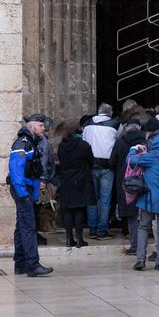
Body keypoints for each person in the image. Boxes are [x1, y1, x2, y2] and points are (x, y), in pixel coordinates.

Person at [129, 115, 159, 270]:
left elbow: (130, 162)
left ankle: (140, 260)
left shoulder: (151, 156)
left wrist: (134, 149)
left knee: (143, 226)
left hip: (148, 196)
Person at [7, 114, 53, 277]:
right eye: (41, 125)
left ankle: (20, 264)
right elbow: (16, 171)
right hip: (22, 190)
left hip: (26, 190)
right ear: (32, 126)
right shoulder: (23, 143)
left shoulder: (31, 142)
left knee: (21, 227)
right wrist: (23, 194)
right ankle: (33, 265)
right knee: (29, 227)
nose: (44, 128)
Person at [55, 119, 95, 248]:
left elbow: (60, 160)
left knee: (68, 210)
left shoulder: (62, 146)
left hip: (66, 179)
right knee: (79, 210)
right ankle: (79, 239)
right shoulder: (84, 145)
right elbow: (91, 161)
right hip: (81, 180)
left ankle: (68, 239)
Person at [82, 103, 118, 239]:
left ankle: (92, 228)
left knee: (92, 198)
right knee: (105, 199)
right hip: (107, 166)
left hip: (90, 165)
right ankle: (102, 229)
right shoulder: (115, 124)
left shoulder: (87, 124)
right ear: (110, 112)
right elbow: (118, 141)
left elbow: (84, 142)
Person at [110, 119, 145, 253]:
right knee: (145, 215)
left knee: (131, 216)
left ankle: (135, 245)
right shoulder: (145, 142)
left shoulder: (120, 142)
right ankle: (143, 246)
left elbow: (112, 162)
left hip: (125, 182)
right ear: (139, 127)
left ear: (127, 128)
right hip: (143, 181)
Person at [34, 116, 56, 245]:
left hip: (39, 179)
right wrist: (43, 179)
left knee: (37, 207)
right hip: (39, 180)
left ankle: (35, 232)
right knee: (36, 207)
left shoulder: (41, 140)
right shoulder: (42, 141)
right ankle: (34, 234)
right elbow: (43, 162)